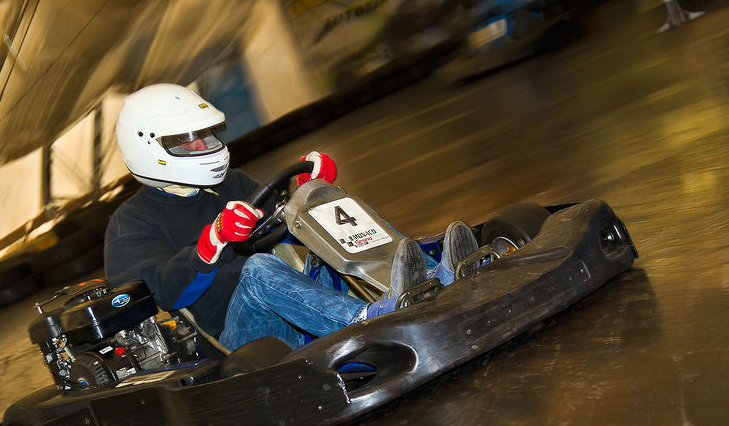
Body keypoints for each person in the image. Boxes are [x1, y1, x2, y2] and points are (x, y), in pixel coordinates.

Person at [103, 83, 478, 351]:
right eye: (187, 141)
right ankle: (372, 320)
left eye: (204, 136)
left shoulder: (231, 184)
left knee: (329, 215)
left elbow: (282, 222)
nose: (203, 146)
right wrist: (211, 242)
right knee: (257, 270)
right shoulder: (132, 223)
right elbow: (165, 293)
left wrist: (310, 192)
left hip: (296, 306)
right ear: (148, 146)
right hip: (241, 339)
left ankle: (436, 279)